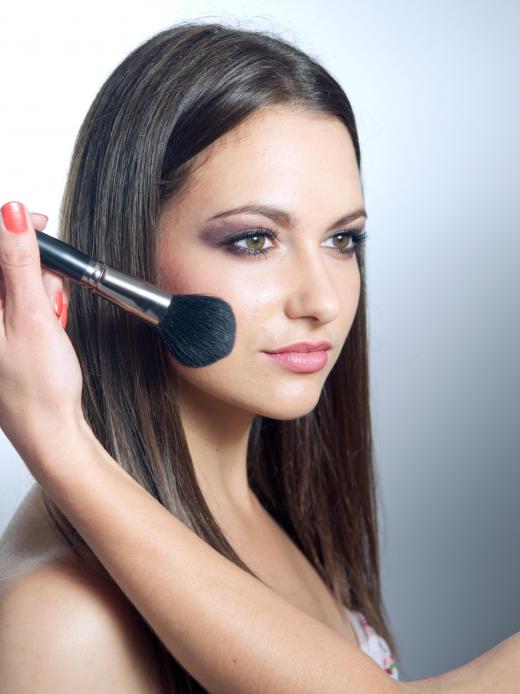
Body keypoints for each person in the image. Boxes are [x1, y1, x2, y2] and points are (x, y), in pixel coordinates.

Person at [0, 22, 518, 693]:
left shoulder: (272, 509)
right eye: (253, 241)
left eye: (342, 240)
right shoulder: (67, 620)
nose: (322, 301)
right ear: (127, 251)